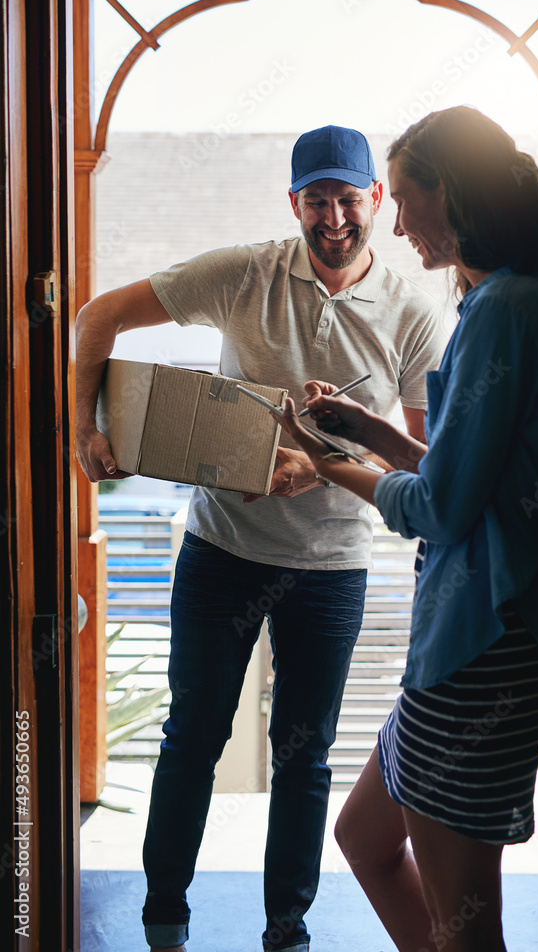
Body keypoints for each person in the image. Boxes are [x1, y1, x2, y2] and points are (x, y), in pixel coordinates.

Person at [75, 124, 446, 952]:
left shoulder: (415, 312)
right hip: (221, 549)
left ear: (376, 201)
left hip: (333, 564)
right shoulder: (245, 271)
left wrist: (317, 464)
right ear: (294, 204)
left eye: (349, 198)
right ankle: (161, 919)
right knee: (190, 738)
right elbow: (98, 317)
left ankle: (288, 928)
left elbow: (424, 465)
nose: (334, 217)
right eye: (317, 200)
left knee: (304, 756)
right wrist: (82, 430)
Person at [273, 107, 538, 952]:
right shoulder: (523, 305)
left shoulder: (499, 312)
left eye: (407, 197)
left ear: (450, 191)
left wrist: (323, 463)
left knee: (467, 927)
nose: (400, 221)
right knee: (363, 840)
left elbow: (444, 508)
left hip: (480, 647)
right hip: (467, 641)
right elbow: (468, 474)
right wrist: (366, 430)